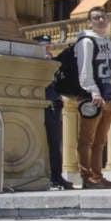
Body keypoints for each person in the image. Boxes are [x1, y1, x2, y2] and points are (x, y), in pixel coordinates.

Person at [73, 7, 111, 189]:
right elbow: (84, 69)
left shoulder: (110, 43)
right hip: (91, 99)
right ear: (89, 22)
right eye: (96, 18)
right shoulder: (86, 42)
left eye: (103, 17)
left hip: (108, 97)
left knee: (100, 140)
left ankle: (97, 175)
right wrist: (93, 91)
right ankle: (87, 176)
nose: (101, 20)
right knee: (87, 139)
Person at [37, 36, 74, 191]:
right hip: (43, 105)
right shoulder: (36, 63)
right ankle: (49, 177)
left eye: (49, 47)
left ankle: (56, 177)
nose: (48, 51)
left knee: (55, 144)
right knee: (44, 143)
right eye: (45, 48)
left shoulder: (53, 63)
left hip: (54, 104)